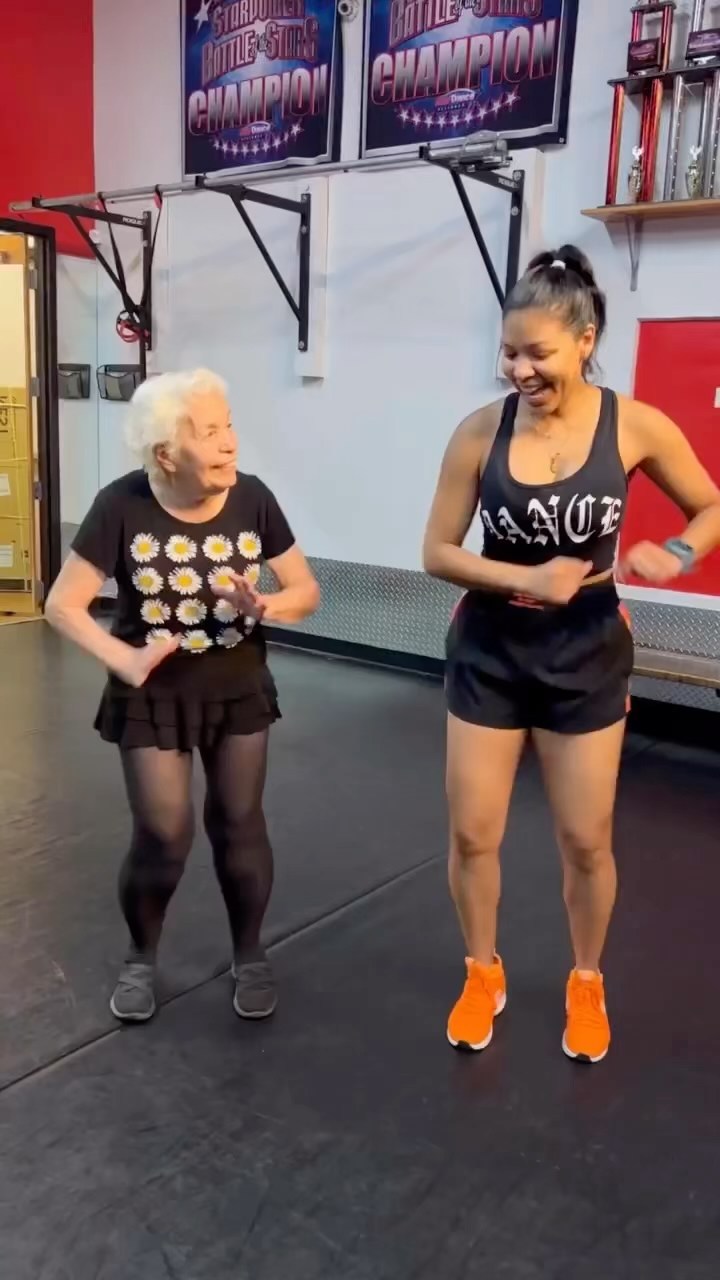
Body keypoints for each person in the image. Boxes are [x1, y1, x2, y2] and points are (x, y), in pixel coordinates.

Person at [423, 245, 720, 1064]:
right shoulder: (478, 433)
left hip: (586, 651)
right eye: (509, 352)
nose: (520, 370)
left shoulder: (635, 425)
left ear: (585, 341)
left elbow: (710, 507)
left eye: (538, 353)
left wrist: (678, 553)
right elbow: (437, 551)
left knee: (587, 841)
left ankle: (586, 980)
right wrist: (525, 577)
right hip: (489, 650)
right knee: (473, 834)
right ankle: (482, 970)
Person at [46, 369, 320, 1024]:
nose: (229, 443)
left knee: (239, 822)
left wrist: (265, 606)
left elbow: (305, 590)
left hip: (236, 687)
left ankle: (249, 953)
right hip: (153, 695)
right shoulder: (121, 505)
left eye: (229, 426)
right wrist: (126, 660)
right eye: (209, 432)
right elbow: (63, 604)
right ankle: (141, 956)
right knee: (163, 833)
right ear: (166, 453)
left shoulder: (252, 497)